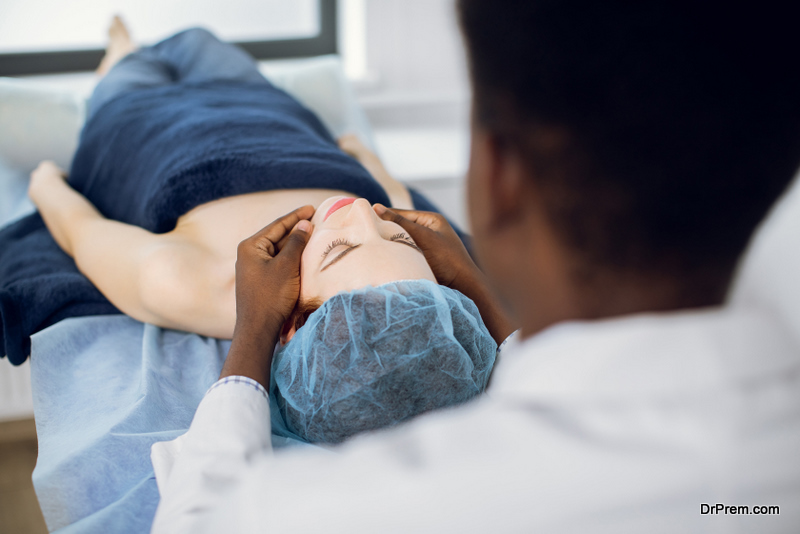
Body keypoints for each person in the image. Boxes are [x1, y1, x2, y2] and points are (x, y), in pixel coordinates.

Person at [150, 1, 800, 532]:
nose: (356, 215)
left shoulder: (372, 507)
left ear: (496, 179)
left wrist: (250, 338)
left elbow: (200, 518)